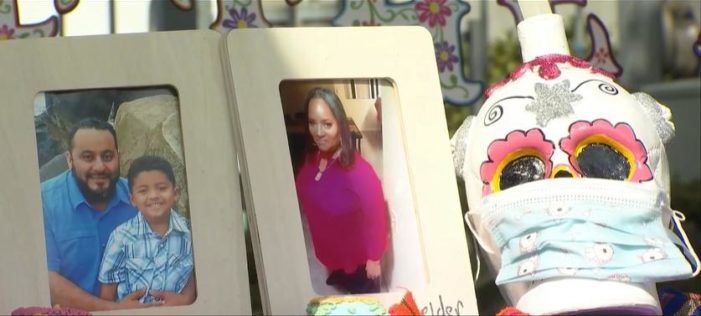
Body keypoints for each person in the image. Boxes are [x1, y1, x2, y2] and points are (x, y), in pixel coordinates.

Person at [40, 118, 179, 311]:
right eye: (87, 157)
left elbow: (180, 249)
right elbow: (46, 281)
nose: (99, 167)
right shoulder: (44, 202)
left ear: (118, 157)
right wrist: (114, 310)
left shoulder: (140, 199)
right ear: (69, 160)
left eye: (107, 156)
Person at [294, 87, 389, 294]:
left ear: (340, 124)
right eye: (312, 123)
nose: (318, 132)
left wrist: (374, 258)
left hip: (359, 259)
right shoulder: (312, 161)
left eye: (327, 124)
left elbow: (376, 216)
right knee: (341, 271)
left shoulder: (359, 172)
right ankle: (341, 273)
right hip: (333, 249)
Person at [98, 155, 195, 306]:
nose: (154, 196)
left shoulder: (191, 233)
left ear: (175, 193)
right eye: (143, 191)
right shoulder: (121, 237)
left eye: (162, 188)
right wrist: (119, 309)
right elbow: (107, 295)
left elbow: (194, 273)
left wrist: (185, 300)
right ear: (132, 199)